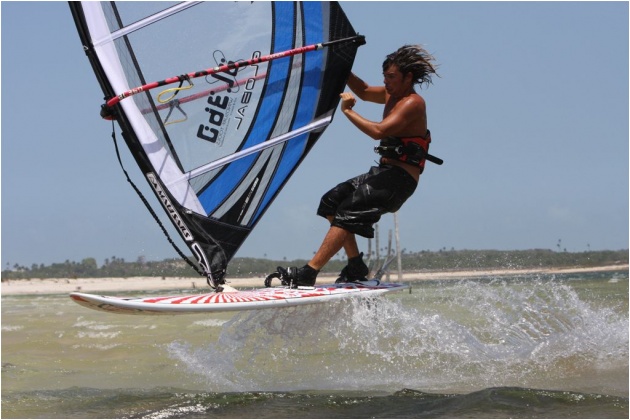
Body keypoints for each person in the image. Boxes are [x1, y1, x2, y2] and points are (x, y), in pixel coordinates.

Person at [275, 44, 439, 287]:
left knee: (348, 211)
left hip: (400, 180)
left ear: (408, 77)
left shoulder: (412, 103)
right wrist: (341, 67)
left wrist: (348, 111)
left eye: (391, 77)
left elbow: (378, 131)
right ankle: (355, 265)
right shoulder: (390, 95)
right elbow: (362, 90)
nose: (386, 82)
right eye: (384, 76)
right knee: (331, 201)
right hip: (384, 173)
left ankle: (308, 273)